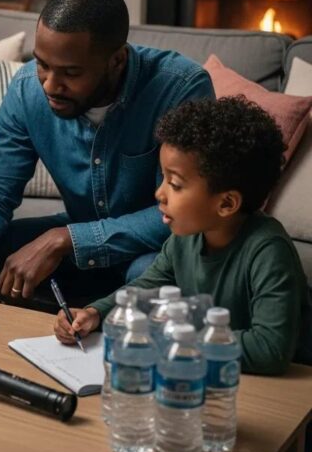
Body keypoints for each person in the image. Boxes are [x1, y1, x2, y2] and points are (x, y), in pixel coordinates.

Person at [0, 0, 215, 328]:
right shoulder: (27, 90)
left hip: (151, 252)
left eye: (70, 73)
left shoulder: (180, 89)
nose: (50, 84)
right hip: (79, 245)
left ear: (116, 60)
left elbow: (182, 215)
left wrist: (66, 239)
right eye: (42, 65)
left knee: (154, 274)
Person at [54, 96, 312, 372]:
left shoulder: (267, 250)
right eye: (163, 178)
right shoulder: (186, 236)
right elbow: (145, 288)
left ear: (226, 204)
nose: (159, 193)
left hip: (287, 391)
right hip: (216, 372)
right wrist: (95, 313)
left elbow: (269, 349)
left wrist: (174, 339)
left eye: (175, 184)